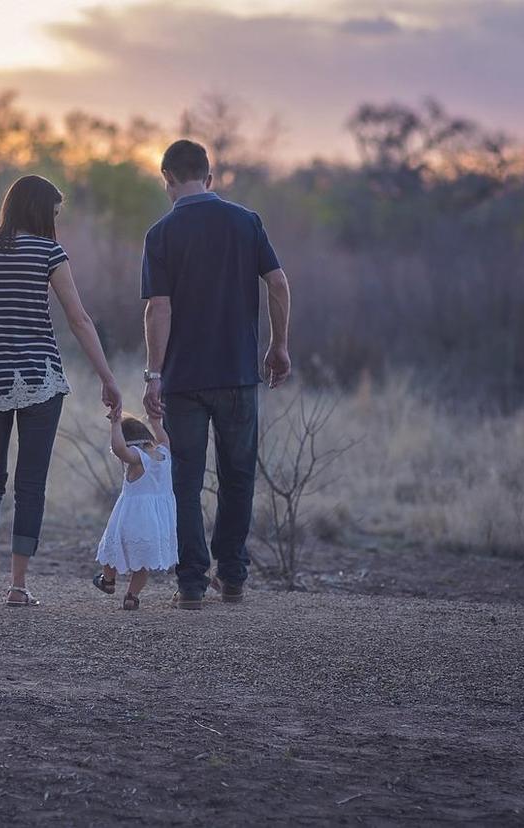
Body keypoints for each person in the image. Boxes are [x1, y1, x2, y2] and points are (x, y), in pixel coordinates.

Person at [0, 174, 122, 607]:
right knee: (31, 484)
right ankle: (18, 586)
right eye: (54, 213)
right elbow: (79, 320)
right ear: (40, 211)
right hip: (40, 379)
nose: (56, 222)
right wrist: (107, 377)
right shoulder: (49, 253)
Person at [140, 139, 291, 610]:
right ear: (209, 177)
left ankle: (190, 584)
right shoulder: (246, 222)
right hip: (238, 374)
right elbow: (279, 283)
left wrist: (153, 374)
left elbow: (157, 309)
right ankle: (233, 576)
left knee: (185, 480)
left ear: (167, 180)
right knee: (238, 475)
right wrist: (278, 345)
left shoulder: (160, 234)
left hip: (184, 380)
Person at [93, 412, 178, 610]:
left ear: (130, 442)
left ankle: (108, 580)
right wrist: (156, 422)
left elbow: (119, 449)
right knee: (142, 563)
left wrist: (115, 425)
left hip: (132, 518)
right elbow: (164, 438)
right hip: (156, 522)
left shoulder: (137, 458)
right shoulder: (164, 454)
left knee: (111, 549)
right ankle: (132, 596)